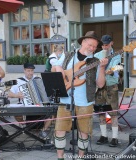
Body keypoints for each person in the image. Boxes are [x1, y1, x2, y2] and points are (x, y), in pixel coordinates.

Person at [52, 31, 108, 160]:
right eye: (90, 45)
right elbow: (54, 68)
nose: (92, 48)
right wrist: (58, 68)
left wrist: (102, 68)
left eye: (94, 46)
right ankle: (60, 158)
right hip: (66, 98)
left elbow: (100, 84)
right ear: (83, 42)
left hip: (85, 101)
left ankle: (80, 157)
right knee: (60, 129)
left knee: (84, 131)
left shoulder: (96, 61)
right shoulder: (67, 55)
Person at [7, 63, 51, 139]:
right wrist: (17, 95)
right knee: (17, 112)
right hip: (25, 106)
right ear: (24, 70)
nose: (30, 73)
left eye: (32, 71)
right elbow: (9, 94)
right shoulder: (19, 81)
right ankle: (23, 128)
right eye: (28, 71)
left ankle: (43, 130)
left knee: (51, 114)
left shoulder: (38, 80)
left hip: (38, 105)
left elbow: (46, 92)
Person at [94, 35, 121, 147]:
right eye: (103, 45)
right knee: (100, 112)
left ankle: (115, 138)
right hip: (99, 87)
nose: (105, 47)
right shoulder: (96, 55)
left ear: (112, 43)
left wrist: (108, 70)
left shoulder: (117, 55)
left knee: (113, 113)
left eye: (107, 44)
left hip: (111, 85)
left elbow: (117, 68)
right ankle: (103, 135)